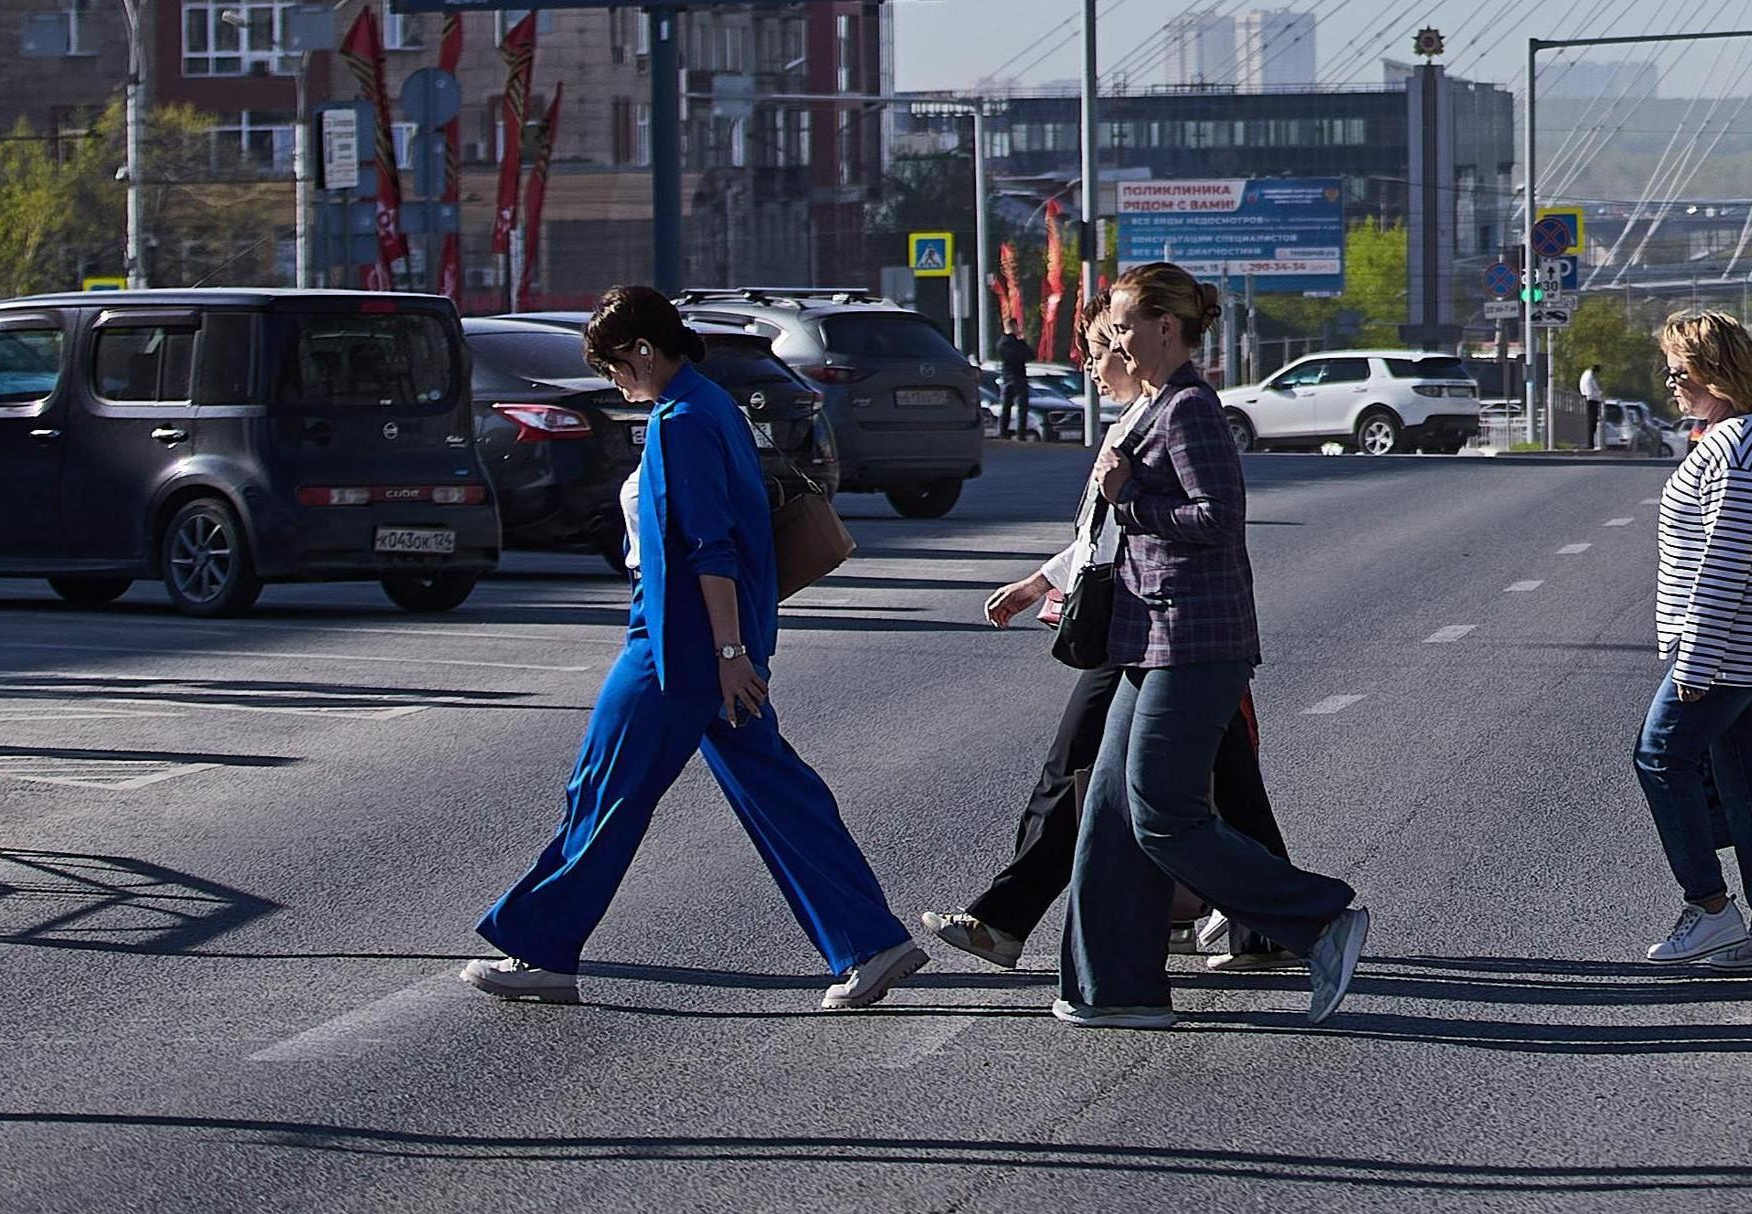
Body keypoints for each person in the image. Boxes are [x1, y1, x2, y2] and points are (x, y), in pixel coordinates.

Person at [469, 287, 923, 1010]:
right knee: (776, 791)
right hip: (706, 642)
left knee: (604, 789)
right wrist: (734, 651)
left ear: (645, 350)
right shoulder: (708, 405)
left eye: (615, 366)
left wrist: (727, 654)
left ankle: (544, 948)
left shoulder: (681, 420)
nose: (615, 380)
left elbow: (708, 547)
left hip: (676, 646)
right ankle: (873, 944)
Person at [921, 311, 1308, 980]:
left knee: (1080, 771)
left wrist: (1120, 506)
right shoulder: (1139, 420)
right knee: (1227, 786)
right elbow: (1102, 535)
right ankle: (1271, 925)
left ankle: (1007, 921)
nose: (1095, 367)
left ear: (1147, 345)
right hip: (1149, 626)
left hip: (1162, 628)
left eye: (1104, 351)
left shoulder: (1175, 414)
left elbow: (1197, 521)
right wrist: (1039, 580)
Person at [1058, 262, 1368, 1027]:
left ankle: (1321, 917)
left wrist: (1133, 502)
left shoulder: (1190, 408)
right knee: (1107, 811)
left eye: (1126, 325)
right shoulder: (1155, 404)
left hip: (1195, 639)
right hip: (1148, 636)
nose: (1117, 338)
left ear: (1167, 329)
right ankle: (1113, 990)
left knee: (1162, 811)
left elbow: (1217, 517)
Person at [1633, 309, 1752, 970]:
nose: (1671, 381)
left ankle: (1709, 909)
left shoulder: (1734, 448)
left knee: (1658, 755)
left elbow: (1724, 562)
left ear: (1715, 373)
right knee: (1746, 775)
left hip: (1725, 650)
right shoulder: (1746, 436)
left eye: (1681, 370)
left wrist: (1695, 662)